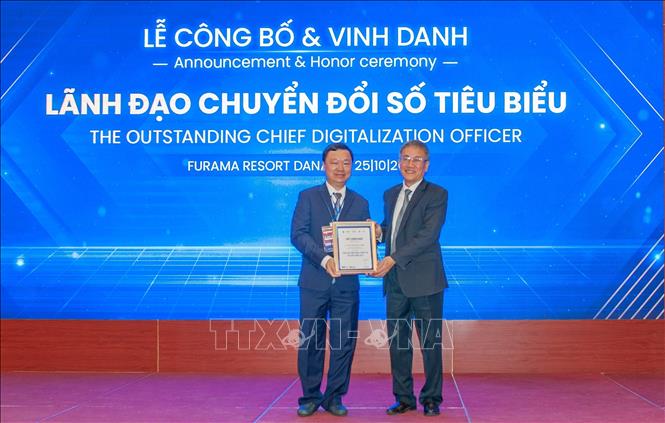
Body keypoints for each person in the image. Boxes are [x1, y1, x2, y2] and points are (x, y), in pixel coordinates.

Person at [291, 144, 370, 417]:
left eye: (346, 162)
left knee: (344, 343)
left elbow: (364, 240)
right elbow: (298, 235)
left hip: (347, 285)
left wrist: (373, 242)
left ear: (352, 167)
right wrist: (325, 260)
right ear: (323, 166)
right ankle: (310, 396)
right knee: (310, 341)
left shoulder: (360, 202)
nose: (340, 168)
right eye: (334, 162)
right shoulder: (308, 197)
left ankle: (335, 397)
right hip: (314, 282)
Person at [371, 140, 448, 417]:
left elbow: (428, 236)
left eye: (417, 160)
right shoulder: (390, 193)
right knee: (398, 344)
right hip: (395, 282)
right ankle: (403, 398)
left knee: (430, 343)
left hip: (425, 281)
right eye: (405, 158)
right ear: (398, 161)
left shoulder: (437, 194)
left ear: (426, 166)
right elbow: (393, 229)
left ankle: (431, 398)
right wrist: (377, 233)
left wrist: (391, 259)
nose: (410, 164)